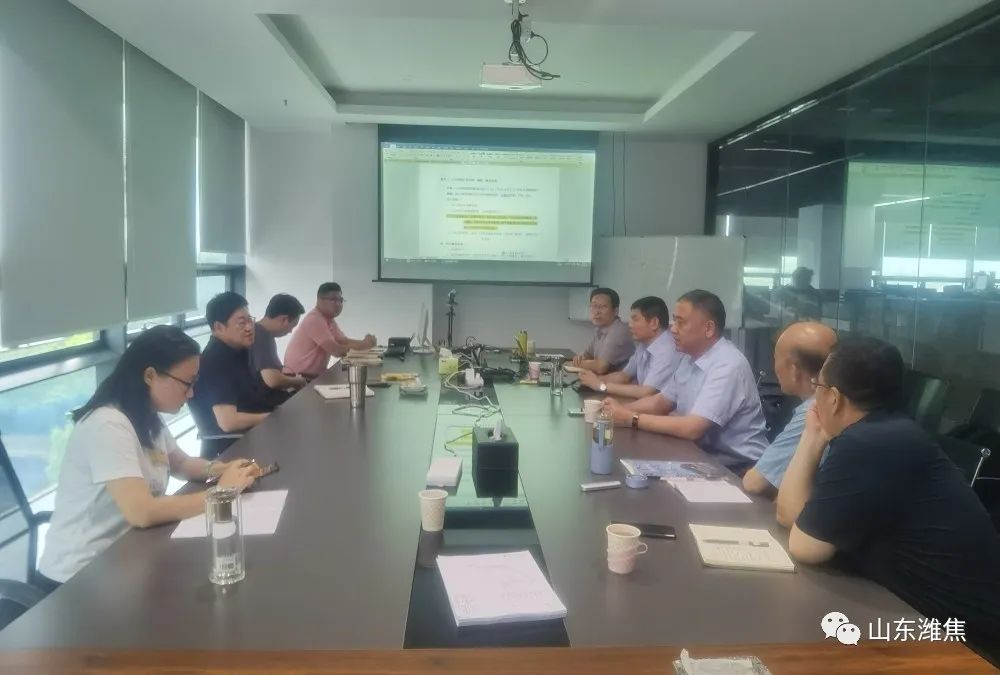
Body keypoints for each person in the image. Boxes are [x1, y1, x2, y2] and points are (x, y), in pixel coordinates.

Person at [776, 337, 1000, 656]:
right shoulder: (884, 432)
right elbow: (789, 515)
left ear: (834, 398)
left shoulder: (871, 443)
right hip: (917, 611)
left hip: (966, 642)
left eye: (818, 386)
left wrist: (813, 437)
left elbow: (805, 545)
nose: (815, 396)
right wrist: (813, 436)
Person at [37, 326, 260, 590]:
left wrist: (222, 469)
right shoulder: (108, 424)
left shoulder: (146, 415)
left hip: (127, 556)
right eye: (187, 383)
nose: (191, 394)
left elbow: (181, 463)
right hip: (77, 579)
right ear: (150, 375)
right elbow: (141, 512)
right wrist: (223, 492)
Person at [602, 289, 767, 472]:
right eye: (674, 321)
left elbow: (692, 428)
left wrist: (631, 418)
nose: (673, 329)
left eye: (681, 322)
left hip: (738, 468)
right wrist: (618, 410)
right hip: (701, 455)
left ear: (708, 329)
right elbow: (660, 402)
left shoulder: (728, 364)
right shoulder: (690, 358)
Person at [743, 321, 837, 496]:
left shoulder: (814, 410)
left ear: (794, 369)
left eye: (776, 359)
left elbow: (754, 482)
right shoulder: (836, 403)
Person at [189, 292, 275, 458]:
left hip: (255, 432)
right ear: (219, 327)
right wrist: (273, 417)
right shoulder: (214, 361)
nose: (249, 328)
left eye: (250, 320)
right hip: (233, 446)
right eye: (241, 323)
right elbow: (229, 422)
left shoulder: (238, 349)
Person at [578, 296, 681, 399]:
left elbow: (646, 392)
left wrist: (601, 386)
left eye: (635, 319)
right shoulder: (644, 344)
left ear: (654, 323)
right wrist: (592, 380)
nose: (630, 325)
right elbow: (624, 376)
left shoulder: (668, 350)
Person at [283, 282, 377, 379]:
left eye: (341, 300)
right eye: (333, 300)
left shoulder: (328, 319)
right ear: (319, 300)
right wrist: (364, 345)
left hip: (311, 377)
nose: (338, 304)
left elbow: (343, 341)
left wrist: (364, 343)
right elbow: (337, 351)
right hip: (297, 378)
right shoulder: (314, 319)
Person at [251, 293, 308, 400]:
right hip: (261, 401)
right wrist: (298, 381)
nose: (290, 331)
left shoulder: (257, 331)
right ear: (284, 320)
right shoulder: (262, 336)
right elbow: (273, 380)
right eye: (292, 326)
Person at [571, 287, 635, 374]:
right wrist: (581, 357)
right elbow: (589, 354)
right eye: (594, 306)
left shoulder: (619, 331)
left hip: (620, 381)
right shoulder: (599, 328)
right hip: (604, 380)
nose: (597, 312)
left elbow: (601, 367)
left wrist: (577, 363)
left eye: (603, 307)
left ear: (615, 311)